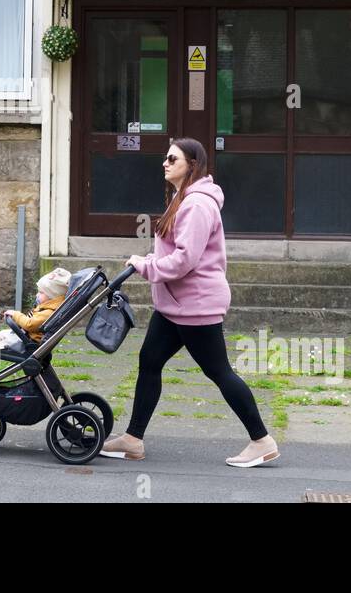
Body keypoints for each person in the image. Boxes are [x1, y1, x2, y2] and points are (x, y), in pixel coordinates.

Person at [100, 137, 280, 468]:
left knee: (219, 371)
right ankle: (133, 440)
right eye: (166, 158)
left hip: (195, 305)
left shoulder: (197, 205)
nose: (165, 163)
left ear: (191, 165)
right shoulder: (183, 198)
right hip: (175, 305)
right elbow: (174, 249)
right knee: (150, 360)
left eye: (173, 159)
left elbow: (185, 260)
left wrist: (145, 266)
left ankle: (262, 440)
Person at [0, 268, 72, 351]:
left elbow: (29, 324)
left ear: (53, 296)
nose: (37, 295)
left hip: (26, 343)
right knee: (1, 335)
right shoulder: (47, 307)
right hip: (24, 337)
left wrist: (16, 315)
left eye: (41, 292)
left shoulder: (48, 312)